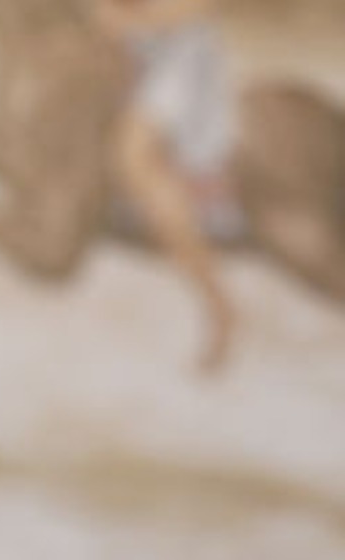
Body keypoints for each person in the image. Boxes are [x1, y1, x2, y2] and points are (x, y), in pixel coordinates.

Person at [94, 0, 240, 371]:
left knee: (133, 153)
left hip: (180, 54)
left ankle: (218, 304)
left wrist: (138, 18)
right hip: (127, 49)